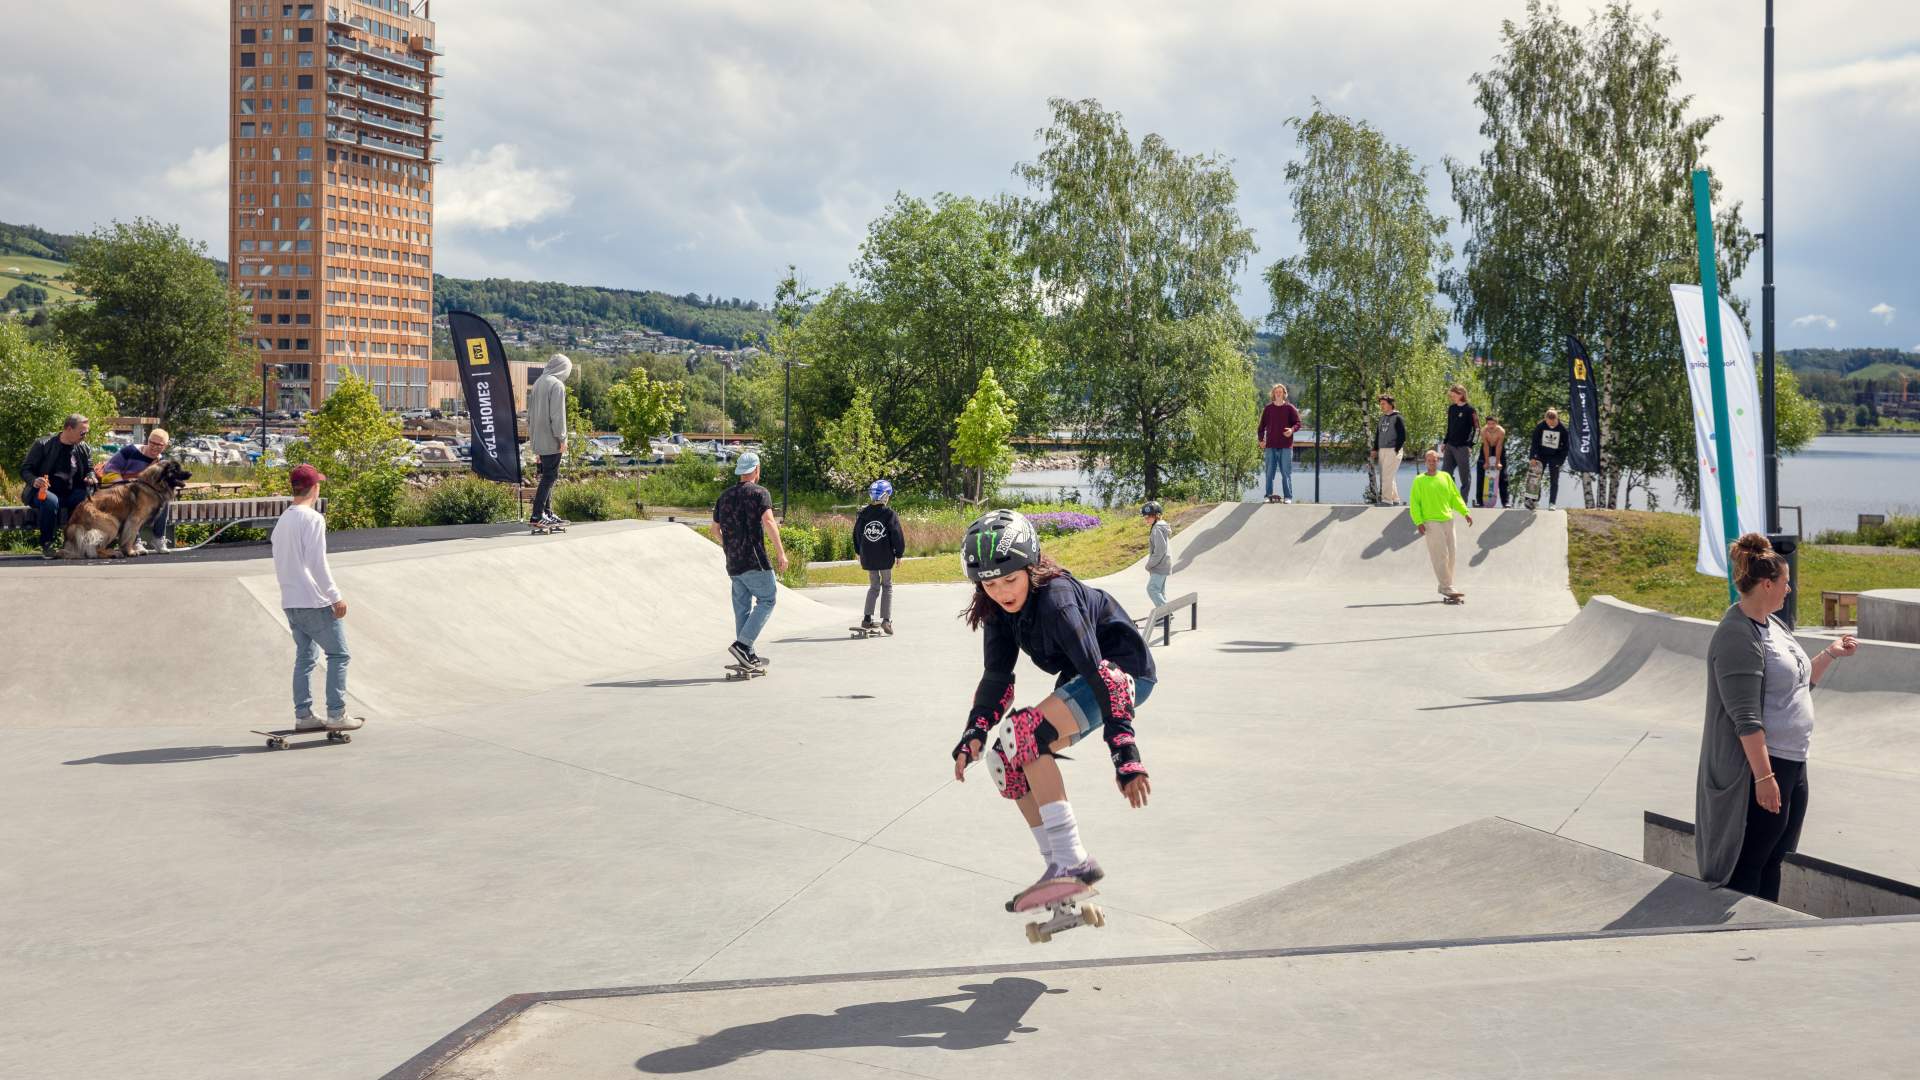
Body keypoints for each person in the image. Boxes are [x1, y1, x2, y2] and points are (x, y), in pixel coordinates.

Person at [950, 509, 1157, 910]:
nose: (1002, 592)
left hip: (1123, 672)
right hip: (1087, 677)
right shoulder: (997, 609)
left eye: (1010, 579)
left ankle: (1073, 865)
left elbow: (1101, 676)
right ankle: (1057, 873)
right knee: (1003, 760)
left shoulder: (1057, 600)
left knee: (1024, 733)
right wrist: (973, 733)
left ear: (1031, 566)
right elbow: (996, 677)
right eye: (989, 584)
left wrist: (1125, 751)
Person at [1696, 534, 1858, 902]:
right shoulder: (1738, 634)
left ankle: (1766, 929)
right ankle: (1737, 937)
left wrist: (1829, 654)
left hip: (1793, 761)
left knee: (1774, 856)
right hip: (1767, 765)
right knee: (1751, 860)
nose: (1790, 589)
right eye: (1786, 583)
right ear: (1767, 584)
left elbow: (1795, 685)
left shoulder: (1772, 625)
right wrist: (1764, 777)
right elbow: (1746, 717)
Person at [271, 463, 354, 730]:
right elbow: (317, 562)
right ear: (315, 488)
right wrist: (335, 596)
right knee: (339, 655)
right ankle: (336, 714)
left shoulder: (283, 520)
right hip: (313, 600)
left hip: (290, 600)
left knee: (306, 657)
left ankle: (304, 715)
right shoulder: (313, 518)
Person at [711, 450, 788, 669]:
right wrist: (781, 552)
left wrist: (728, 546)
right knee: (768, 599)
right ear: (756, 470)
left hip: (733, 562)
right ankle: (743, 645)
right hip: (755, 560)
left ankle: (747, 655)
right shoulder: (760, 493)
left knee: (742, 608)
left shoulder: (724, 496)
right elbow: (769, 522)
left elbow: (714, 529)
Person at [18, 413, 93, 559]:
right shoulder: (43, 444)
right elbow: (25, 469)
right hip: (42, 492)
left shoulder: (84, 447)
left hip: (70, 493)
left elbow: (90, 469)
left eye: (86, 433)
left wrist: (91, 476)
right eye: (82, 433)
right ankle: (47, 544)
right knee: (51, 501)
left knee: (86, 498)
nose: (85, 436)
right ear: (69, 429)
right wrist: (35, 480)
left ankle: (72, 543)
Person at [1408, 449, 1473, 601]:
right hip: (1431, 521)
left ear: (1439, 461)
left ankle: (1445, 584)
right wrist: (1418, 521)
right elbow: (1414, 504)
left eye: (1435, 460)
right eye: (1429, 460)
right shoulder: (1419, 480)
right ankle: (1447, 587)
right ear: (1425, 462)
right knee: (1440, 555)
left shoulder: (1445, 477)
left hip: (1448, 519)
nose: (1432, 463)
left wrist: (1465, 512)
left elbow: (1455, 497)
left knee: (1452, 554)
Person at [97, 428, 173, 553]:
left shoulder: (162, 461)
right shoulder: (130, 451)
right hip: (121, 491)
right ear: (147, 441)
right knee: (135, 502)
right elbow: (110, 470)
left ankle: (158, 538)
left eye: (159, 445)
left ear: (165, 446)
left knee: (163, 500)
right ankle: (135, 541)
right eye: (152, 443)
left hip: (144, 495)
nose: (154, 447)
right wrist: (124, 486)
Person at [527, 352, 572, 529]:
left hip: (539, 438)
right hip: (551, 438)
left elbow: (530, 415)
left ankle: (547, 513)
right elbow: (557, 416)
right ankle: (537, 515)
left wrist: (534, 443)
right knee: (550, 476)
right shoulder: (557, 385)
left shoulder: (538, 382)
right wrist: (562, 438)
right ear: (563, 369)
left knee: (548, 476)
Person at [854, 479, 905, 635]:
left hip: (869, 557)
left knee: (874, 586)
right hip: (884, 556)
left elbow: (856, 534)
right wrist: (899, 553)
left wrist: (858, 551)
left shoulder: (863, 513)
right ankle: (886, 620)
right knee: (887, 586)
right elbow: (897, 535)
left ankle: (867, 618)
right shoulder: (889, 514)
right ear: (884, 496)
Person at [1256, 383, 1301, 503]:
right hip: (1270, 446)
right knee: (1269, 473)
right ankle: (1268, 496)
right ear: (1273, 394)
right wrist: (1261, 440)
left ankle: (1288, 497)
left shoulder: (1290, 408)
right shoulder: (1268, 409)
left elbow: (1298, 423)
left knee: (1286, 473)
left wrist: (1292, 430)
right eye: (1276, 392)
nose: (1278, 394)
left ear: (1284, 394)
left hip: (1286, 446)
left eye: (1280, 392)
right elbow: (1261, 427)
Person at [1441, 385, 1479, 498]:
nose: (1452, 397)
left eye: (1453, 395)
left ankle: (1463, 502)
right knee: (1445, 475)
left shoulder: (1470, 410)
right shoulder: (1451, 408)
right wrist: (1444, 442)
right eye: (1451, 395)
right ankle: (1450, 498)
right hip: (1450, 446)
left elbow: (1477, 430)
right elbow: (1449, 427)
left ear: (1461, 394)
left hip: (1463, 448)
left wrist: (1471, 445)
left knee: (1464, 478)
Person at [1528, 408, 1570, 510]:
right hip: (1541, 455)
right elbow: (1534, 443)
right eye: (1549, 423)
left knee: (1554, 480)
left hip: (1555, 456)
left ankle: (1552, 502)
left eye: (1553, 423)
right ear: (1545, 419)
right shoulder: (1540, 426)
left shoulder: (1563, 429)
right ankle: (1534, 500)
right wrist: (1533, 457)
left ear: (1557, 419)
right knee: (1536, 478)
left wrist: (1560, 461)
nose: (1551, 425)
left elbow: (1566, 447)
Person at [1372, 396, 1407, 505]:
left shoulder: (1397, 417)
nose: (1381, 406)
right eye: (1380, 404)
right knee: (1387, 476)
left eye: (1383, 403)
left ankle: (1386, 500)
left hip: (1393, 450)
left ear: (1390, 404)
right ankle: (1395, 499)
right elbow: (1378, 435)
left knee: (1386, 476)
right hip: (1382, 450)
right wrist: (1375, 449)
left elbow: (1403, 436)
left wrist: (1396, 449)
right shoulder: (1382, 418)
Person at [1142, 500, 1171, 611]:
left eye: (1149, 517)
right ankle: (1164, 616)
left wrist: (1149, 564)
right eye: (1145, 517)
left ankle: (1166, 613)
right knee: (1159, 591)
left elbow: (1160, 550)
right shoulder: (1159, 527)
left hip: (1160, 564)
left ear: (1157, 515)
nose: (1146, 519)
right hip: (1163, 563)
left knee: (1152, 589)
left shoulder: (1157, 528)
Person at [1474, 414, 1507, 509]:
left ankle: (1505, 502)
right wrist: (1487, 462)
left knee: (1503, 476)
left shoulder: (1501, 431)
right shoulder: (1484, 431)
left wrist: (1498, 462)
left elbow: (1499, 446)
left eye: (1493, 424)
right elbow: (1486, 446)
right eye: (1489, 424)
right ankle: (1480, 501)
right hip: (1486, 449)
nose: (1491, 426)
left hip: (1498, 449)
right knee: (1481, 474)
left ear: (1497, 424)